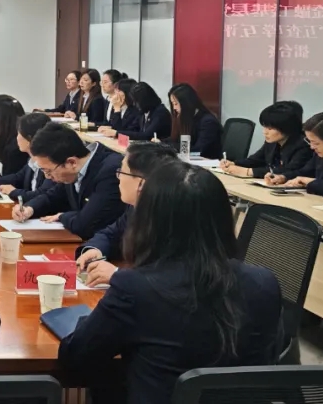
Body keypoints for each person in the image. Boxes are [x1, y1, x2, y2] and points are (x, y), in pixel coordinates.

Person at [58, 163, 283, 404]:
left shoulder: (135, 288)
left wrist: (88, 321)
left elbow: (76, 361)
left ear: (148, 221)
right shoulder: (264, 282)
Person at [75, 142, 183, 287]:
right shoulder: (135, 207)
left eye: (122, 172)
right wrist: (95, 250)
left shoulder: (175, 217)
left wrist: (118, 274)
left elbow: (169, 277)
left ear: (141, 184)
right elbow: (111, 234)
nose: (118, 178)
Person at [12, 123, 125, 240]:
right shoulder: (73, 169)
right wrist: (29, 209)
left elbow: (85, 225)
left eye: (49, 171)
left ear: (71, 162)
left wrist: (62, 216)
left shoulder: (109, 172)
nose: (48, 177)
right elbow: (53, 196)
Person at [221, 102, 312, 182]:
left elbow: (289, 170)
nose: (265, 132)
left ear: (286, 127)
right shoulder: (272, 141)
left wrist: (248, 172)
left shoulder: (303, 144)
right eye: (264, 127)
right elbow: (255, 160)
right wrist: (234, 163)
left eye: (270, 128)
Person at [0, 113, 58, 202]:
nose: (17, 138)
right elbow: (18, 177)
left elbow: (41, 195)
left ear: (30, 139)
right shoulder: (31, 159)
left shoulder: (51, 164)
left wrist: (13, 192)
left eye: (19, 134)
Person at [167, 83, 223, 159]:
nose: (174, 108)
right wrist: (160, 143)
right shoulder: (186, 118)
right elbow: (176, 140)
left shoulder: (208, 122)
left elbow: (197, 151)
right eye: (173, 104)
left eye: (176, 104)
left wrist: (168, 146)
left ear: (186, 103)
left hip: (207, 162)